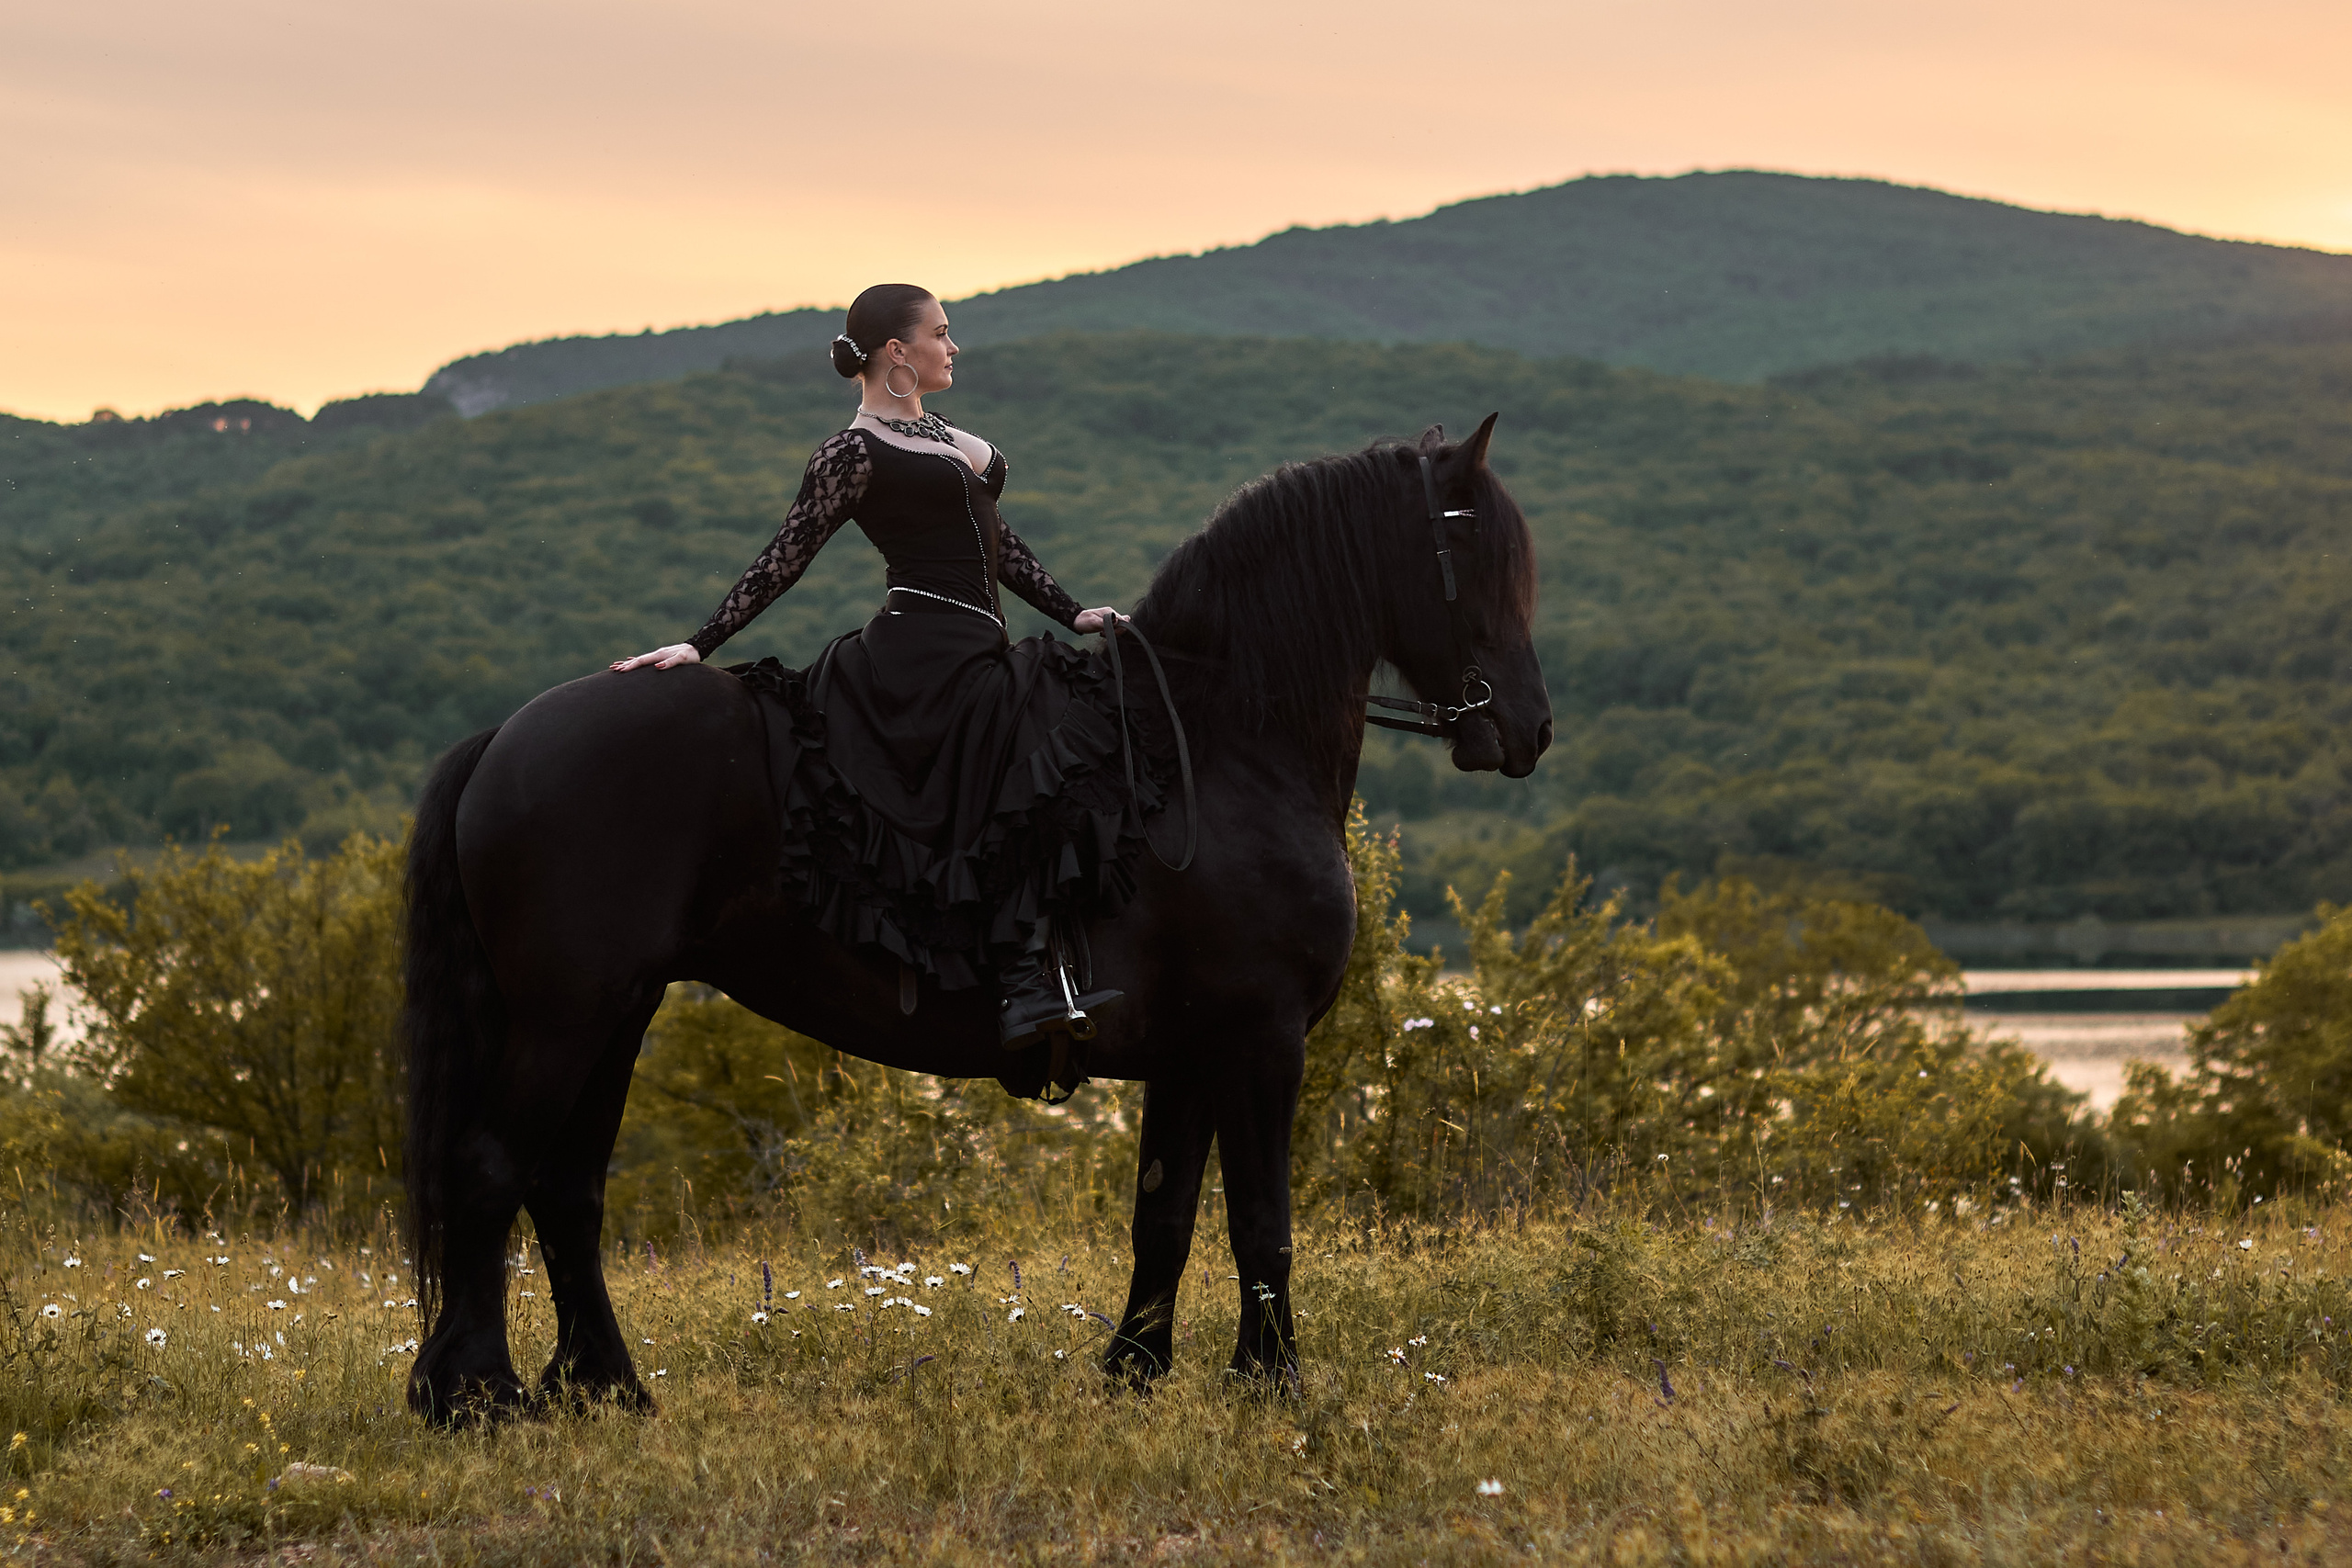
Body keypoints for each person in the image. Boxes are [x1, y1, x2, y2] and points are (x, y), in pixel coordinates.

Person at [612, 284, 1144, 1056]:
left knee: (1051, 734)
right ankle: (1024, 979)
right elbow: (785, 556)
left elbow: (999, 544)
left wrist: (1073, 613)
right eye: (940, 333)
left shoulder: (937, 436)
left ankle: (1050, 965)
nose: (952, 347)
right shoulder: (851, 452)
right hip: (918, 656)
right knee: (1017, 757)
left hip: (978, 644)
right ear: (898, 351)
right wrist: (702, 642)